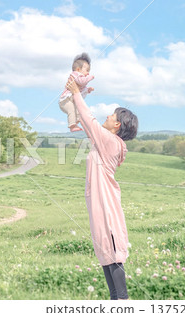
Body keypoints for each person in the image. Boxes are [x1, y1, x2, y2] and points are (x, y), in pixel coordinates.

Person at [66, 77, 138, 300]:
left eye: (112, 115)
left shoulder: (111, 142)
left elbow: (89, 119)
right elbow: (87, 124)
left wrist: (77, 93)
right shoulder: (104, 140)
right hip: (99, 204)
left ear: (117, 125)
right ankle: (115, 301)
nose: (108, 116)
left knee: (113, 252)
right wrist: (80, 93)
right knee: (106, 252)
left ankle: (122, 302)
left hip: (105, 205)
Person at [59, 53, 95, 132]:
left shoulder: (79, 79)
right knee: (71, 110)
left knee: (79, 108)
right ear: (78, 69)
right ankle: (72, 125)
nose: (88, 73)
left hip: (71, 99)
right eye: (87, 70)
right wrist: (90, 77)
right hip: (65, 100)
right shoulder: (75, 75)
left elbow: (81, 90)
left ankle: (78, 120)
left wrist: (88, 90)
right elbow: (82, 82)